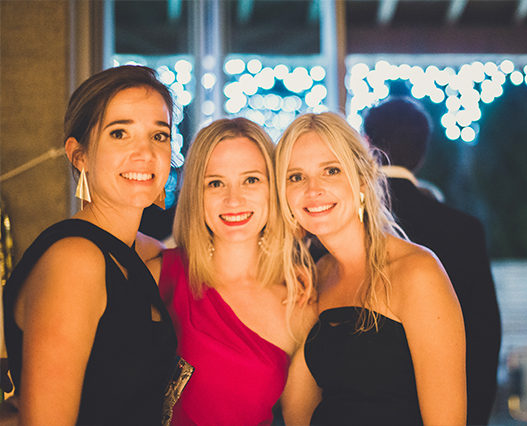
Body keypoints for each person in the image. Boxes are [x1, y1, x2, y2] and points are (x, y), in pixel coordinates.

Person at [2, 65, 177, 424]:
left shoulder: (139, 250)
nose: (145, 152)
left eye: (159, 136)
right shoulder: (75, 260)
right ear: (78, 155)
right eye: (120, 133)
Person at [275, 112, 466, 426]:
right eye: (296, 177)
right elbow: (297, 412)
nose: (313, 189)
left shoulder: (417, 272)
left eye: (331, 171)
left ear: (362, 180)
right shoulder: (316, 275)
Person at [147, 118, 315, 426]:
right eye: (215, 183)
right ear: (197, 194)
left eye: (251, 180)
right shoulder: (158, 277)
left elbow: (299, 420)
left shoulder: (299, 304)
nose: (233, 199)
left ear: (272, 189)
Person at [363, 96, 502, 425]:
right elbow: (484, 334)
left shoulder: (343, 223)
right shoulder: (463, 229)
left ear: (366, 143)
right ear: (423, 153)